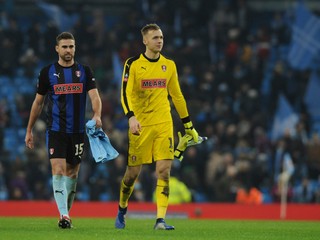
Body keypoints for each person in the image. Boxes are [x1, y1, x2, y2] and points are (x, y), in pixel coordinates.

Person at [115, 23, 199, 230]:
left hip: (163, 123)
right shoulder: (132, 64)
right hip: (140, 126)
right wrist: (131, 117)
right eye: (155, 38)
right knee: (132, 174)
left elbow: (177, 96)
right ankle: (122, 207)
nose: (159, 41)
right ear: (145, 41)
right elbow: (125, 93)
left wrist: (188, 124)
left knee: (164, 171)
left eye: (161, 37)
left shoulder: (169, 65)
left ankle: (160, 220)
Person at [25, 32, 102, 229]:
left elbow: (94, 96)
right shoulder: (47, 72)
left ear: (75, 48)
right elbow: (38, 103)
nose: (68, 50)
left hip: (77, 132)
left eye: (71, 46)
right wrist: (29, 130)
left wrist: (97, 115)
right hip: (56, 130)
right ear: (57, 49)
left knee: (72, 174)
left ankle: (65, 213)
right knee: (58, 170)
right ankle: (64, 216)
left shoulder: (85, 71)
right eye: (65, 47)